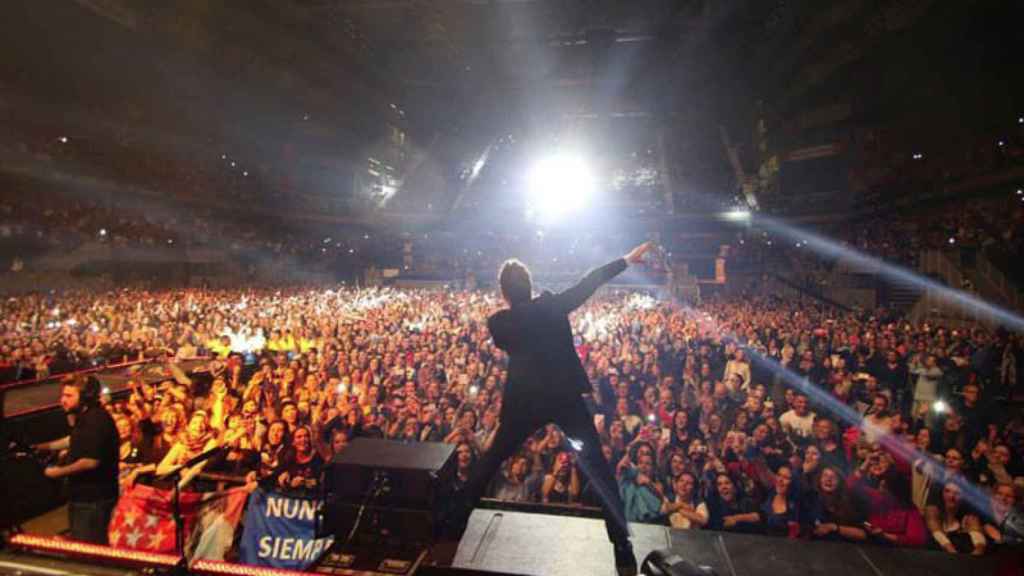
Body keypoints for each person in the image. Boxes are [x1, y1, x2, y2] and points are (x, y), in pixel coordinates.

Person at [445, 241, 654, 576]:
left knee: (491, 459)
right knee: (597, 469)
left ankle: (452, 525)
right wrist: (626, 260)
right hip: (564, 399)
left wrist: (531, 302)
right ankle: (622, 548)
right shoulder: (553, 306)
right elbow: (591, 281)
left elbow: (515, 328)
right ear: (529, 285)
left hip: (523, 403)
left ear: (504, 292)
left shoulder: (499, 323)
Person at [36, 375, 119, 544]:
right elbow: (74, 439)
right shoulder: (86, 417)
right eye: (63, 395)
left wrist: (57, 472)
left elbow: (90, 461)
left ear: (86, 397)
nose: (63, 400)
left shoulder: (96, 421)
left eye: (69, 396)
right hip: (83, 497)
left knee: (88, 549)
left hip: (94, 500)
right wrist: (42, 447)